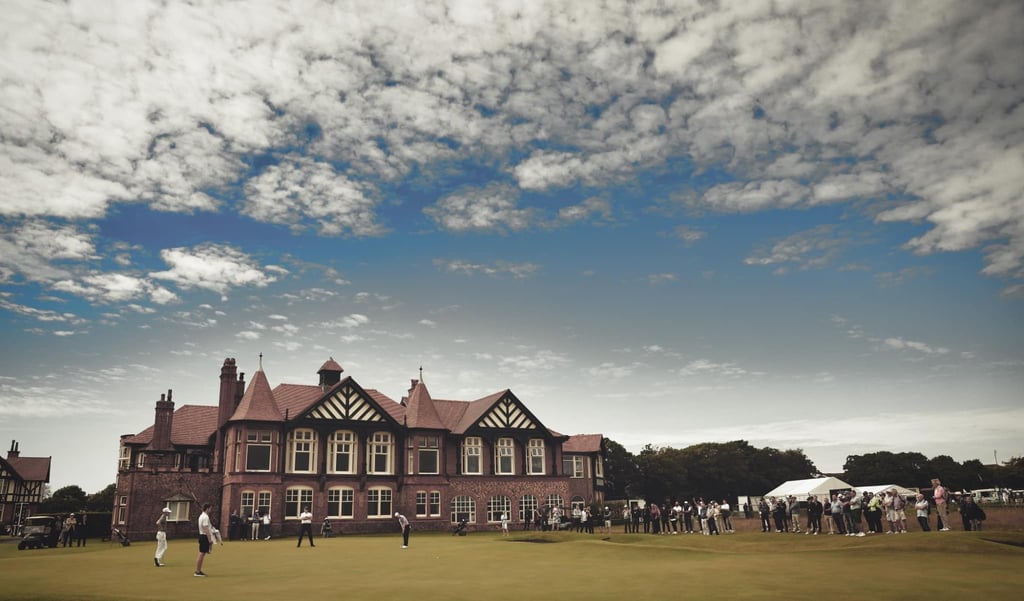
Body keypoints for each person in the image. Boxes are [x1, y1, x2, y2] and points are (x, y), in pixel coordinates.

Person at [195, 503, 213, 577]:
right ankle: (197, 571)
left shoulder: (202, 516)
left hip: (202, 536)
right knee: (201, 553)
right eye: (210, 508)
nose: (211, 510)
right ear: (207, 508)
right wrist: (210, 540)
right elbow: (206, 528)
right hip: (204, 536)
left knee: (202, 553)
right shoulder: (205, 517)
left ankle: (198, 570)